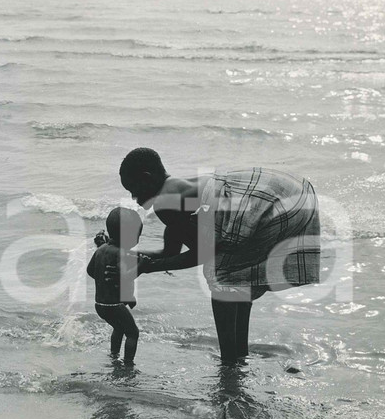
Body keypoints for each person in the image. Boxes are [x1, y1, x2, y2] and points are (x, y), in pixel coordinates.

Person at [101, 147, 320, 365]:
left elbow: (202, 255)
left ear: (147, 178)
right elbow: (170, 252)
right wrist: (122, 253)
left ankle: (229, 363)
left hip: (274, 202)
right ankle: (239, 355)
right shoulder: (175, 192)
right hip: (294, 194)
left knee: (221, 275)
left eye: (133, 189)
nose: (134, 198)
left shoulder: (165, 202)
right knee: (236, 275)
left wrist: (146, 268)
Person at [87, 207, 144, 364]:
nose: (138, 240)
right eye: (137, 236)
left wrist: (103, 279)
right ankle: (128, 364)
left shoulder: (100, 250)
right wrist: (130, 296)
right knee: (133, 333)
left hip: (99, 305)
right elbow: (127, 278)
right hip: (114, 305)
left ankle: (114, 356)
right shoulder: (122, 254)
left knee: (119, 328)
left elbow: (90, 271)